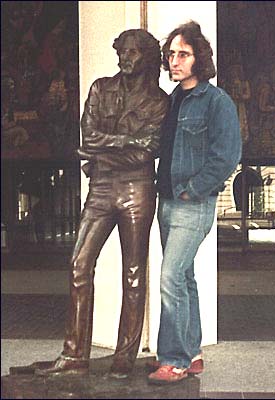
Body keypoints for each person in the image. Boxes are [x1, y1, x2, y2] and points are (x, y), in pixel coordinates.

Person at [34, 28, 168, 379]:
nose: (125, 57)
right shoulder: (100, 89)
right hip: (102, 187)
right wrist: (126, 142)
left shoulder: (159, 101)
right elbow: (88, 137)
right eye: (122, 51)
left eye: (134, 52)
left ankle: (124, 356)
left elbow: (148, 150)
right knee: (79, 264)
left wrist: (103, 150)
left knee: (134, 273)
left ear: (148, 58)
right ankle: (74, 355)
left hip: (138, 189)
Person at [147, 21, 242, 385]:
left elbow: (226, 156)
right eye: (170, 54)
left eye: (182, 54)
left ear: (199, 59)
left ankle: (174, 359)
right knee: (183, 276)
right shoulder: (172, 100)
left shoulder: (217, 102)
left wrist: (192, 189)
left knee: (170, 276)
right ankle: (194, 352)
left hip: (191, 202)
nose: (174, 61)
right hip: (167, 200)